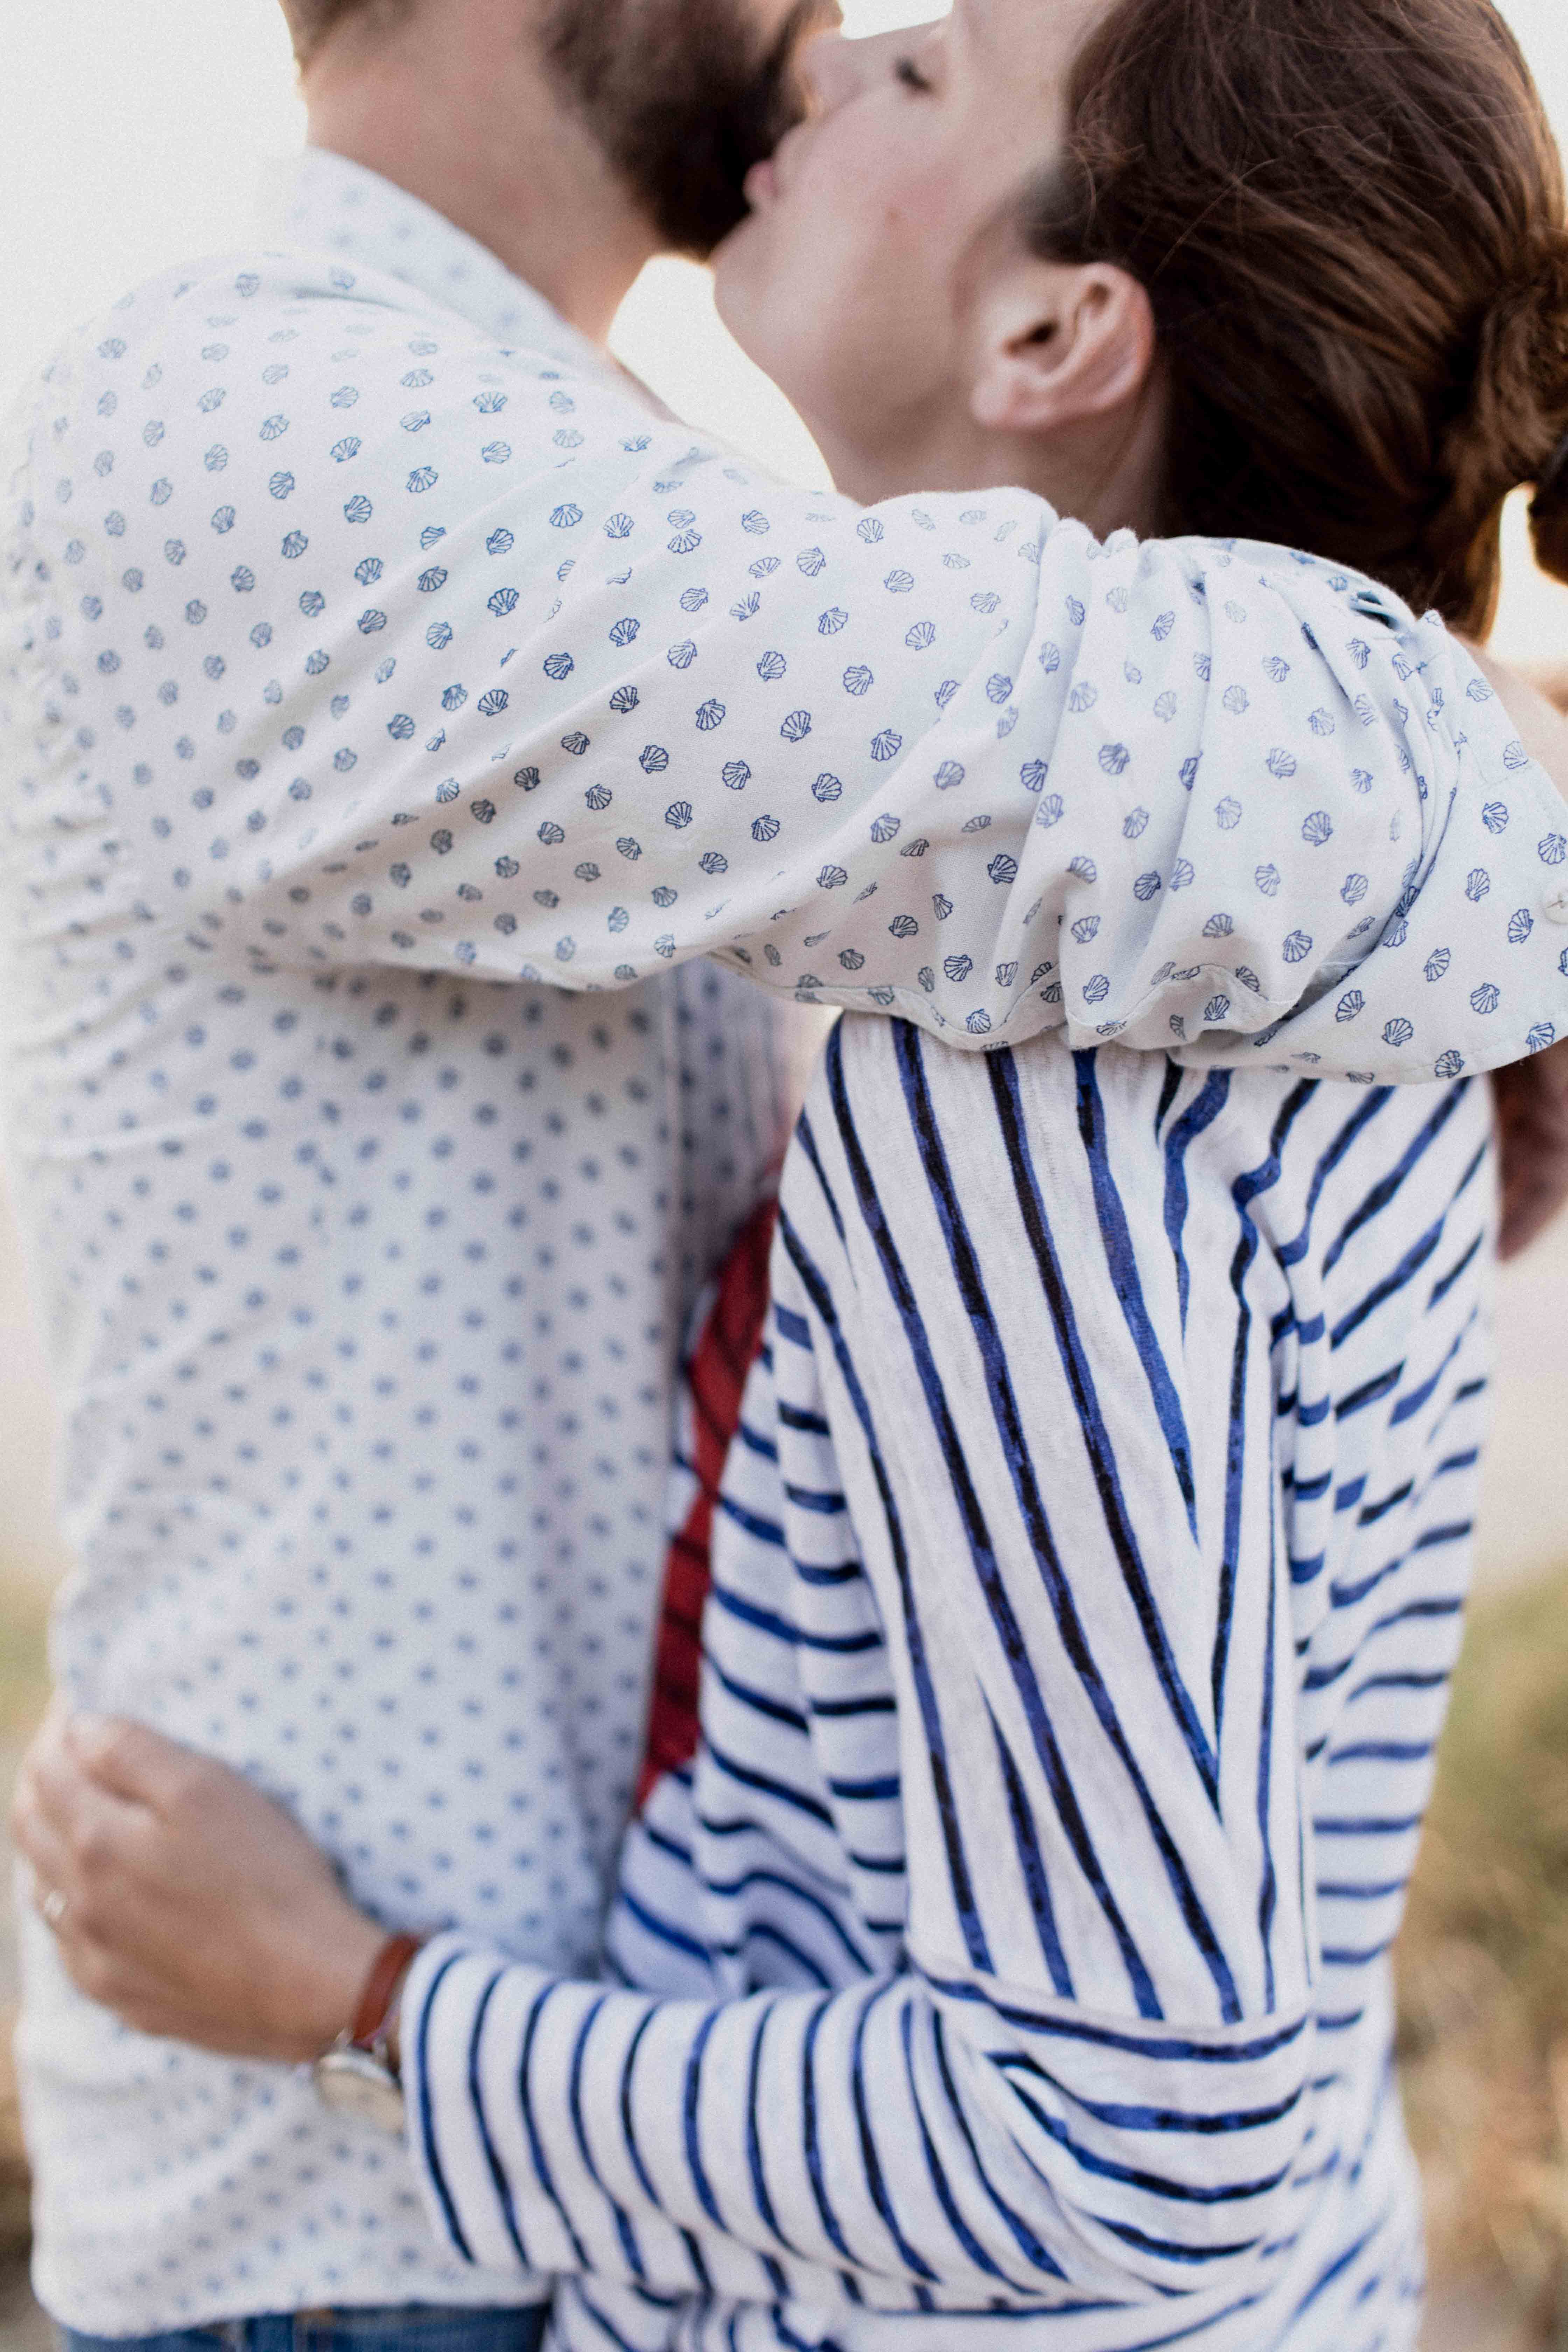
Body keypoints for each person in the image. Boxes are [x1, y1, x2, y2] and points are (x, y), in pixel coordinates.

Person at [18, 1, 1568, 2348]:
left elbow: (1134, 2130)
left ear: (1065, 329)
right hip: (373, 2254)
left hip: (574, 2171)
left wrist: (372, 2003)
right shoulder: (286, 437)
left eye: (935, 72)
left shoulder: (1065, 1024)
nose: (836, 38)